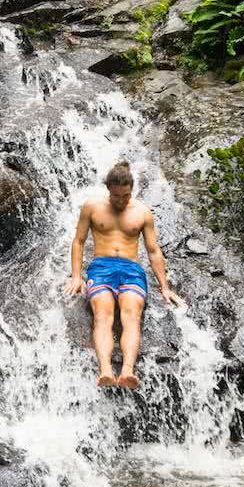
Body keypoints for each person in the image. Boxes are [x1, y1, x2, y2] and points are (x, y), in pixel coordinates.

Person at [63, 160, 184, 389]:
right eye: (117, 195)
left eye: (126, 195)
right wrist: (76, 276)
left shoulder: (143, 213)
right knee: (103, 314)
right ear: (108, 188)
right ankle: (105, 370)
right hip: (101, 268)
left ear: (132, 189)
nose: (121, 200)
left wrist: (165, 286)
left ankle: (128, 370)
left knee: (131, 315)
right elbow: (79, 241)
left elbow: (153, 250)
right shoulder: (92, 207)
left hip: (131, 270)